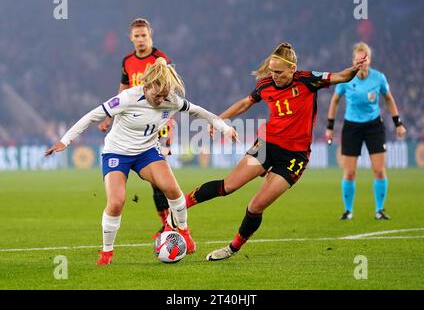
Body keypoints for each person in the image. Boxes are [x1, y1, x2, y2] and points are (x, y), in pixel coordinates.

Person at [183, 42, 368, 261]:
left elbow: (341, 76)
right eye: (271, 71)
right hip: (267, 145)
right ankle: (177, 208)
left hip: (294, 157)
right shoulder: (265, 85)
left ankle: (232, 248)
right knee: (228, 186)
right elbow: (244, 104)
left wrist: (354, 69)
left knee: (255, 206)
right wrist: (218, 120)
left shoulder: (308, 80)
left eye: (279, 72)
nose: (274, 76)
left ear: (292, 69)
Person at [45, 58, 238, 265]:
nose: (160, 100)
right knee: (116, 201)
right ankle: (107, 252)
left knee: (172, 189)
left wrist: (225, 128)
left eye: (164, 95)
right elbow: (92, 116)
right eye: (157, 95)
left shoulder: (171, 100)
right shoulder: (127, 98)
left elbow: (200, 112)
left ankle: (184, 231)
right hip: (116, 154)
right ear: (146, 86)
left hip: (147, 152)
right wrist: (65, 141)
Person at [98, 18, 173, 238]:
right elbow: (123, 91)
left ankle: (169, 223)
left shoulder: (160, 59)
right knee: (153, 181)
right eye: (137, 36)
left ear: (151, 36)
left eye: (144, 36)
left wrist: (167, 120)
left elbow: (167, 89)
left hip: (157, 122)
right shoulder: (127, 61)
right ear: (131, 38)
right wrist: (108, 117)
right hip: (133, 123)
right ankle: (166, 223)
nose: (140, 40)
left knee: (159, 179)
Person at [325, 42, 406, 221]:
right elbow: (335, 100)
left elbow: (388, 98)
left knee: (378, 170)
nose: (362, 62)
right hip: (351, 127)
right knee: (350, 172)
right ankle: (348, 211)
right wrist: (330, 127)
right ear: (353, 61)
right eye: (358, 59)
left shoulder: (378, 78)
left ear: (369, 60)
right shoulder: (346, 79)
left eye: (365, 58)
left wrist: (398, 123)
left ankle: (379, 210)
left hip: (373, 126)